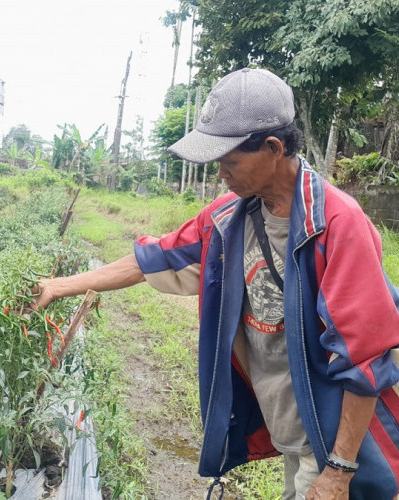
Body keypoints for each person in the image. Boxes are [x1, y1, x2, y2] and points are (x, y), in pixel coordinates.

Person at [34, 68, 399, 499]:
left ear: (273, 148)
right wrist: (59, 286)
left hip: (331, 429)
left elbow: (366, 360)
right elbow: (156, 257)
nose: (220, 175)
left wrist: (338, 470)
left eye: (229, 161)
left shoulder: (336, 224)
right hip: (285, 418)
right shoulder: (230, 216)